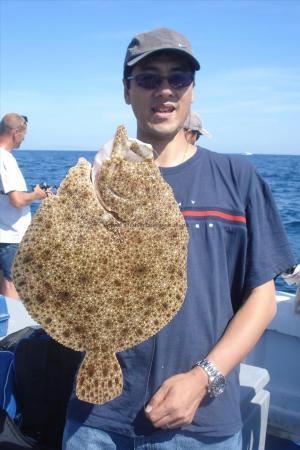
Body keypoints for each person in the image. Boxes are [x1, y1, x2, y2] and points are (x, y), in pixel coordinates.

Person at [63, 28, 295, 449]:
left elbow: (261, 299)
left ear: (193, 90)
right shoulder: (95, 182)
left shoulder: (237, 178)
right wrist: (89, 196)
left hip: (201, 422)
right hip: (96, 418)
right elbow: (60, 275)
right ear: (127, 91)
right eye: (149, 78)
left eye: (179, 78)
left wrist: (202, 378)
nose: (165, 90)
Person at [0, 113, 49, 300]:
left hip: (3, 236)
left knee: (4, 292)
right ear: (15, 132)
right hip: (10, 238)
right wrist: (37, 195)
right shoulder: (5, 159)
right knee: (15, 294)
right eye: (23, 134)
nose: (24, 138)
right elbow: (17, 200)